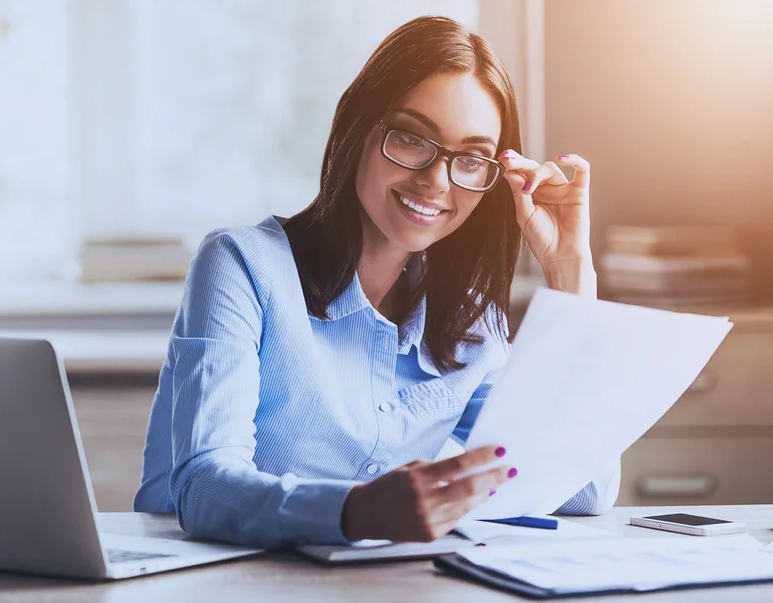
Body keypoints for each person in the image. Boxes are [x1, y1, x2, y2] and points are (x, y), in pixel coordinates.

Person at [134, 15, 620, 548]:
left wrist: (570, 274)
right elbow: (204, 487)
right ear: (358, 128)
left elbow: (584, 489)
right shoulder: (242, 265)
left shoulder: (472, 319)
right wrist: (355, 510)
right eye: (413, 138)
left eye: (473, 159)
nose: (437, 181)